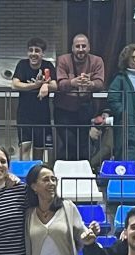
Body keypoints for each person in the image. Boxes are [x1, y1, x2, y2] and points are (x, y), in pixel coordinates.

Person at [54, 34, 105, 162]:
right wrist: (73, 82)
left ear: (89, 48)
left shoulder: (97, 61)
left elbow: (100, 83)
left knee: (83, 145)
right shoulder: (63, 60)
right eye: (77, 46)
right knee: (68, 143)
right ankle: (67, 174)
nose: (81, 49)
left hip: (85, 109)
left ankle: (83, 174)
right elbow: (60, 83)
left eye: (83, 46)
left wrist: (90, 84)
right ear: (72, 48)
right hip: (63, 110)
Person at [12, 38, 58, 161]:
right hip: (24, 114)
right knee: (25, 147)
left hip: (42, 115)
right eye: (30, 50)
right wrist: (35, 86)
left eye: (37, 51)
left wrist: (45, 85)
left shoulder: (48, 66)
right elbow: (15, 84)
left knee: (39, 150)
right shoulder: (22, 64)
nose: (33, 53)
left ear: (43, 53)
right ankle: (23, 175)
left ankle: (36, 177)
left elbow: (55, 85)